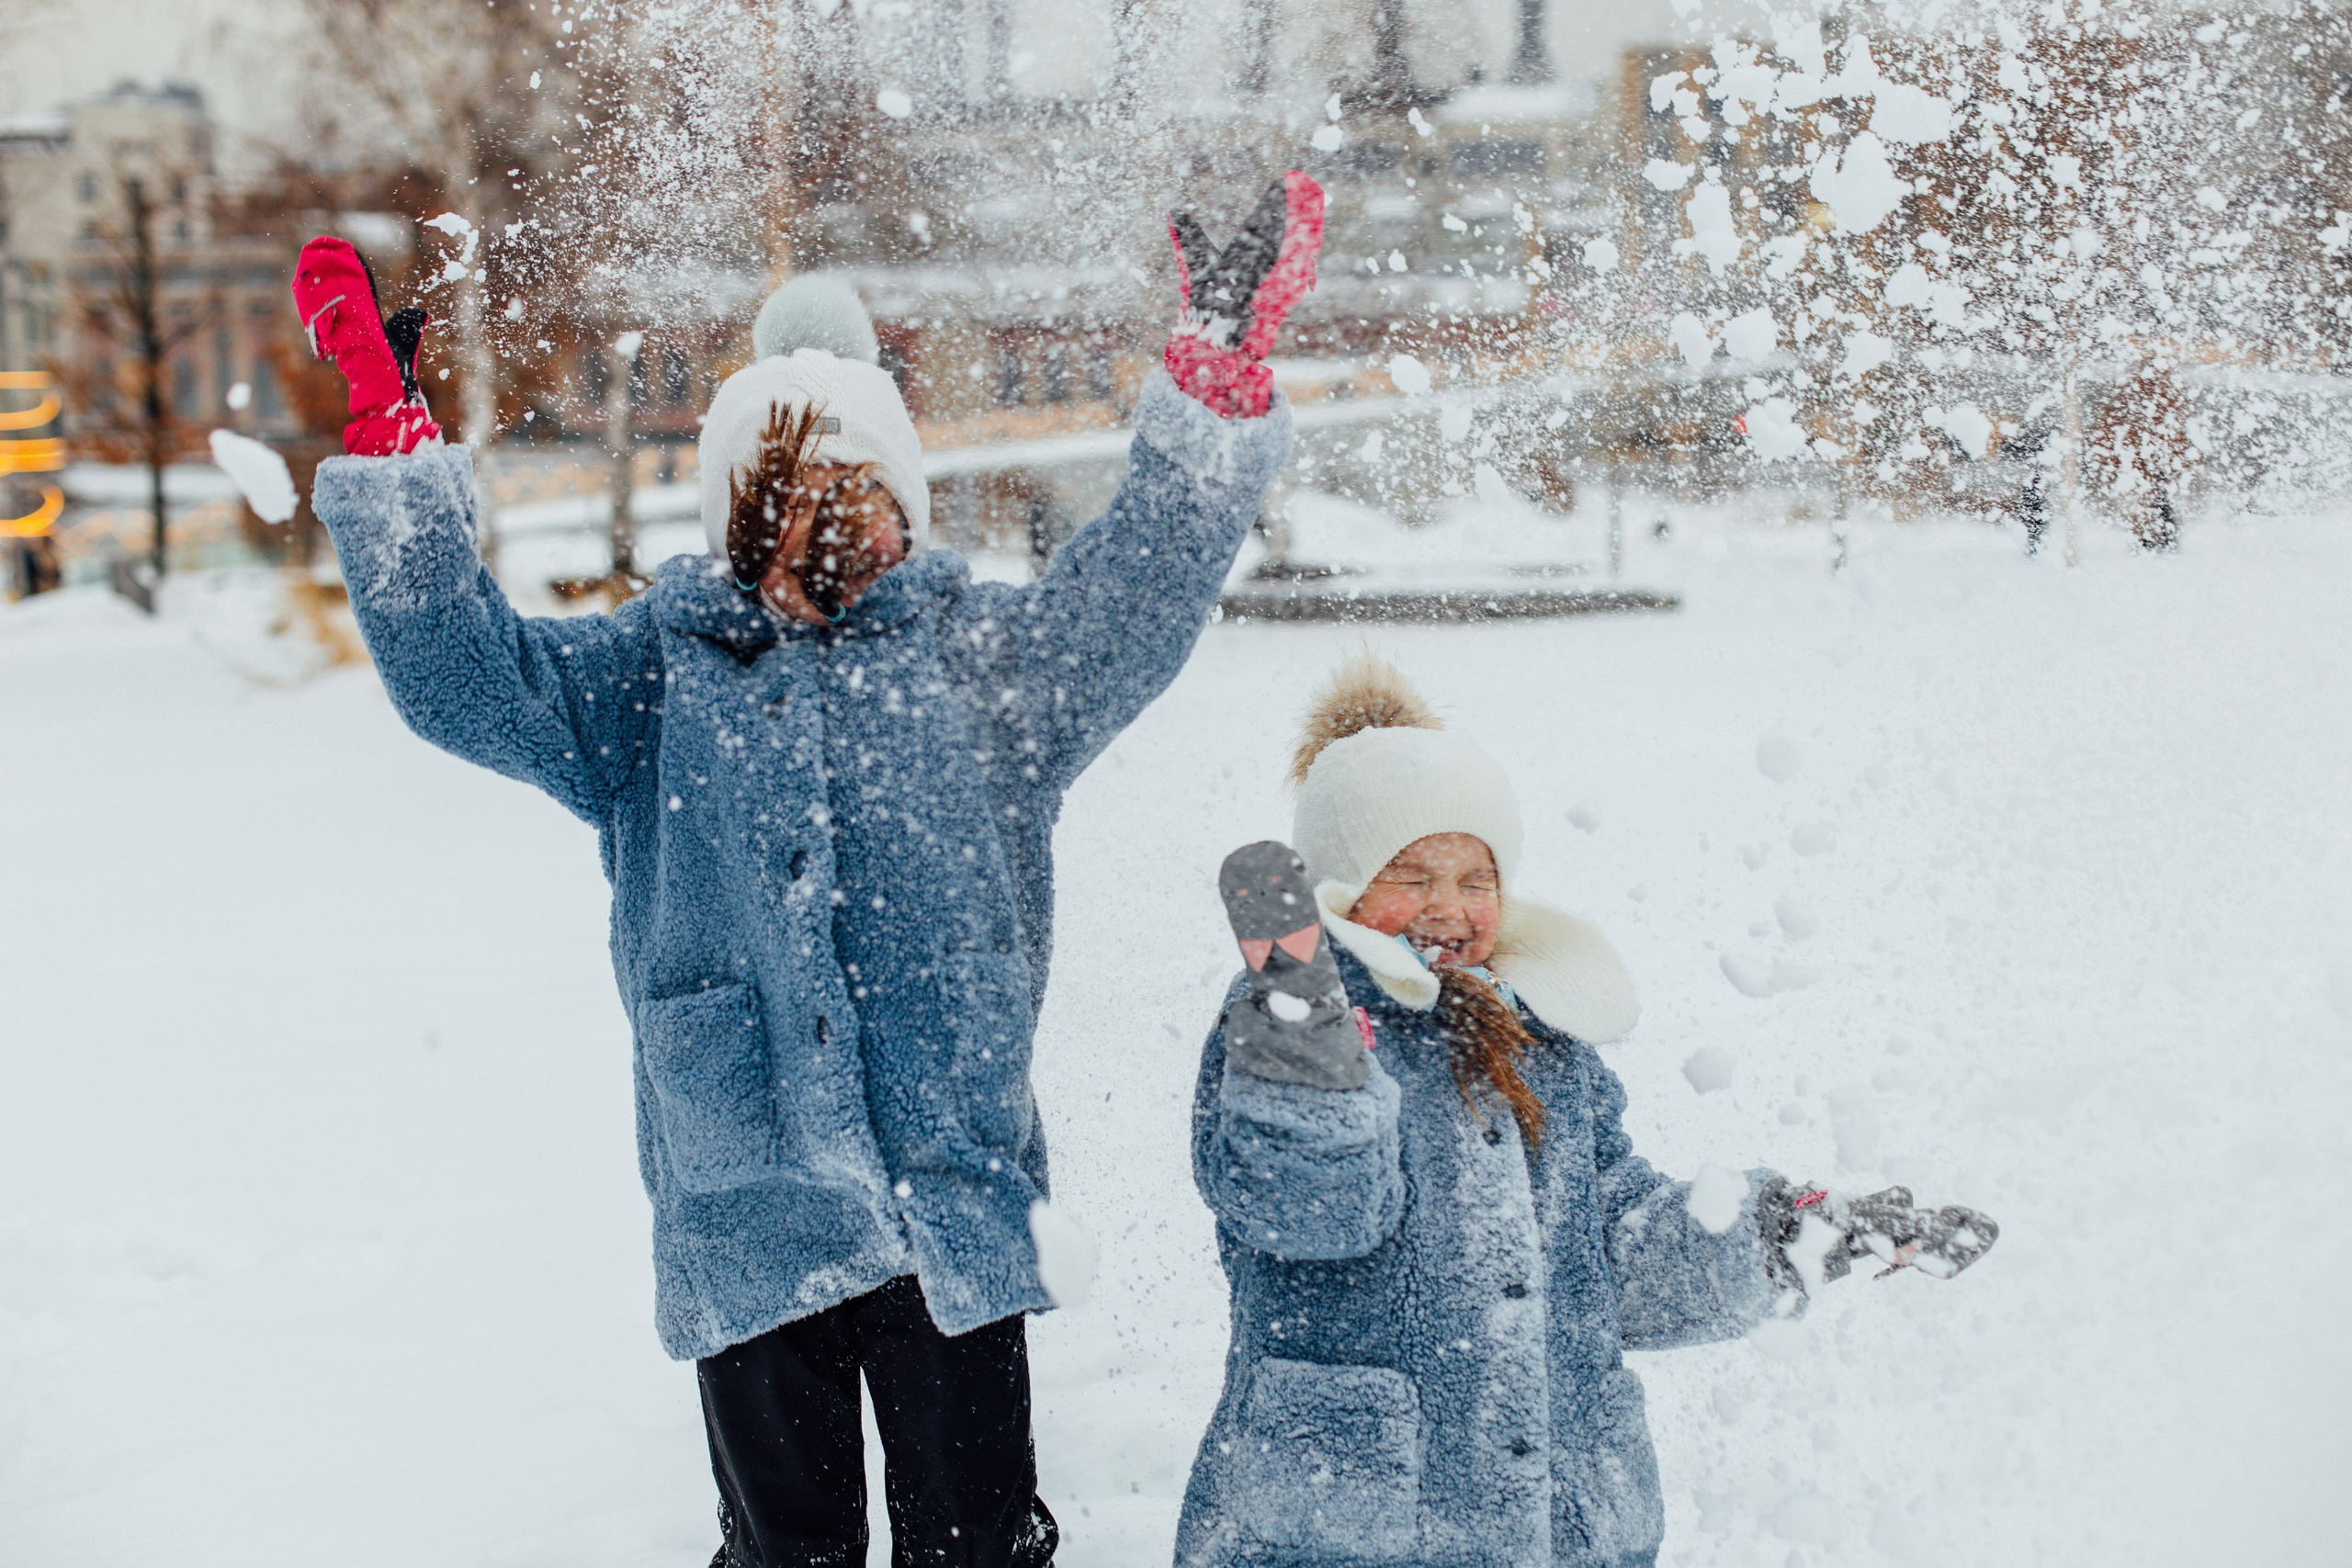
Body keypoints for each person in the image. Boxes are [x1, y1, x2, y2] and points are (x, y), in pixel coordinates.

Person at [289, 172, 1323, 1568]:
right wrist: (398, 465)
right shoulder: (652, 680)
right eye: (786, 496)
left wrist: (1213, 380)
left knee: (980, 1539)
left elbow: (1138, 585)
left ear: (904, 503)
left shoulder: (987, 665)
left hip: (950, 1194)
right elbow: (465, 680)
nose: (829, 526)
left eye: (861, 494)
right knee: (791, 1548)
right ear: (734, 515)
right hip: (749, 1204)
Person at [1178, 655, 1996, 1568]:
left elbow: (1606, 1242)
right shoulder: (1282, 1022)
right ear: (1341, 885)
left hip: (1556, 1522)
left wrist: (1781, 1238)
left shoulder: (1542, 1040)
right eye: (1410, 874)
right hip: (1362, 1518)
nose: (1448, 907)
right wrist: (1310, 1054)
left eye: (1475, 879)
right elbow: (1307, 1211)